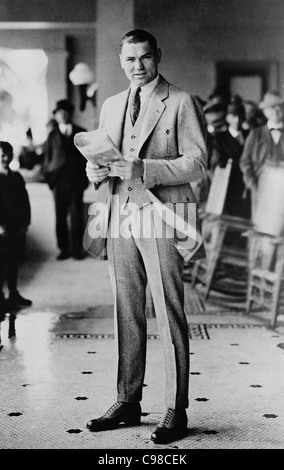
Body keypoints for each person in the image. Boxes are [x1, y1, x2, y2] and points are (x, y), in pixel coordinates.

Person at [85, 29, 207, 444]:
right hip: (120, 213)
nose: (137, 67)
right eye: (130, 60)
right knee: (126, 309)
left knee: (169, 309)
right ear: (121, 62)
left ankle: (177, 408)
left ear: (158, 56)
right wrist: (95, 171)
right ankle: (128, 401)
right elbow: (106, 157)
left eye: (144, 58)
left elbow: (197, 164)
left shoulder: (183, 101)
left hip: (164, 215)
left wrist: (147, 169)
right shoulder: (112, 104)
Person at [44, 99, 89, 260]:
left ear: (70, 113)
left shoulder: (81, 132)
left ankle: (77, 249)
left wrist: (85, 179)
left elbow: (88, 158)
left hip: (76, 181)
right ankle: (63, 249)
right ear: (55, 116)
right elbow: (47, 159)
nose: (62, 115)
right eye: (59, 112)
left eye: (65, 111)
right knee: (60, 216)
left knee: (77, 216)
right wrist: (50, 180)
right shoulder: (52, 135)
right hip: (58, 181)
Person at [240, 91, 284, 215]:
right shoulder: (256, 134)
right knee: (263, 229)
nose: (275, 110)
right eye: (270, 107)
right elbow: (245, 163)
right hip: (262, 191)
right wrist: (254, 186)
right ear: (264, 111)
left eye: (278, 106)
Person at [0, 141, 32, 313]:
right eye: (2, 155)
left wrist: (26, 222)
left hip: (16, 228)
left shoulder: (17, 177)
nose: (6, 158)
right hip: (2, 230)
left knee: (14, 262)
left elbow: (25, 201)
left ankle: (13, 293)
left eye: (9, 154)